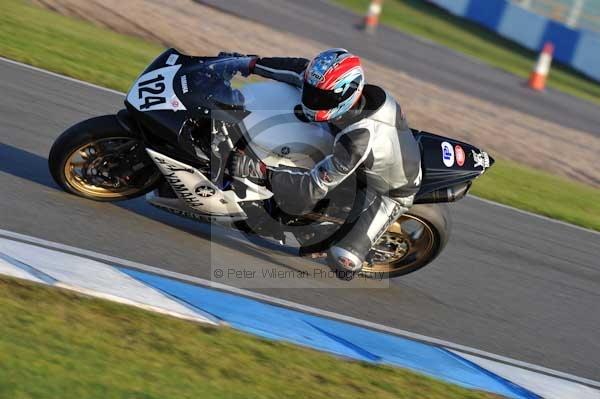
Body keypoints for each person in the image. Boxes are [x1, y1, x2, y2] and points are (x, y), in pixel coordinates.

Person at [229, 48, 422, 278]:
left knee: (344, 261)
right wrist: (247, 63)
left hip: (389, 191)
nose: (312, 99)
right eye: (312, 92)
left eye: (321, 98)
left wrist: (262, 172)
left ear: (345, 95)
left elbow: (310, 189)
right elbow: (296, 69)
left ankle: (348, 245)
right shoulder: (337, 92)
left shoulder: (356, 141)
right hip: (365, 152)